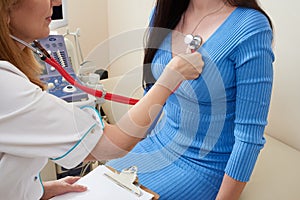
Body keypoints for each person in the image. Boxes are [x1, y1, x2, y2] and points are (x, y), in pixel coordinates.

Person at [0, 0, 203, 199]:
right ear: (6, 9)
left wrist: (36, 190)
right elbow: (112, 144)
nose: (57, 2)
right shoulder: (6, 87)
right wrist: (169, 80)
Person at [108, 0, 274, 199]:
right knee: (95, 187)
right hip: (157, 144)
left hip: (205, 166)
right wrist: (130, 147)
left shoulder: (251, 26)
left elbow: (249, 136)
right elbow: (153, 94)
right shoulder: (166, 12)